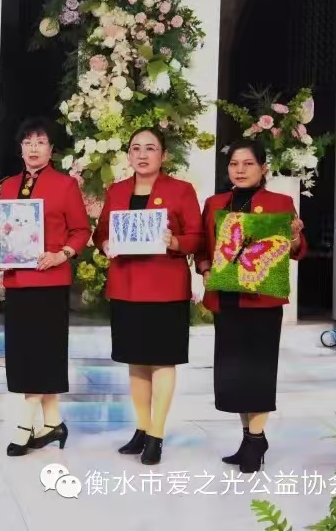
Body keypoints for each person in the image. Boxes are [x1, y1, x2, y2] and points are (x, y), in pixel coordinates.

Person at [93, 127, 203, 465]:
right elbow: (100, 232)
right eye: (136, 148)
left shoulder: (181, 190)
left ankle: (156, 434)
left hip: (165, 288)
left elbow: (196, 236)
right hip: (126, 285)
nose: (142, 154)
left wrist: (175, 242)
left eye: (150, 148)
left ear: (163, 155)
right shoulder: (117, 191)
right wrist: (105, 243)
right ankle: (141, 428)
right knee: (136, 360)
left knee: (162, 360)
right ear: (128, 155)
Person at [195, 140, 306, 473]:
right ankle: (249, 438)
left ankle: (255, 441)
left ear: (263, 168)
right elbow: (203, 246)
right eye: (234, 164)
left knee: (258, 372)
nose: (240, 170)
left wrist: (295, 237)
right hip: (227, 299)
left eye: (248, 164)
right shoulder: (214, 203)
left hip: (262, 302)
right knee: (234, 375)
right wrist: (205, 269)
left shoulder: (280, 203)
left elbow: (296, 250)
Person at [0, 117, 91, 456]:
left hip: (49, 280)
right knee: (26, 354)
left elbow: (81, 230)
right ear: (20, 148)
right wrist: (0, 253)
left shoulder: (65, 185)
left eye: (41, 142)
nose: (33, 148)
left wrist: (61, 254)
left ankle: (25, 424)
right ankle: (53, 423)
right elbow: (2, 230)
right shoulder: (8, 186)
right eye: (28, 142)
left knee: (40, 352)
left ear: (51, 149)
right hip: (18, 281)